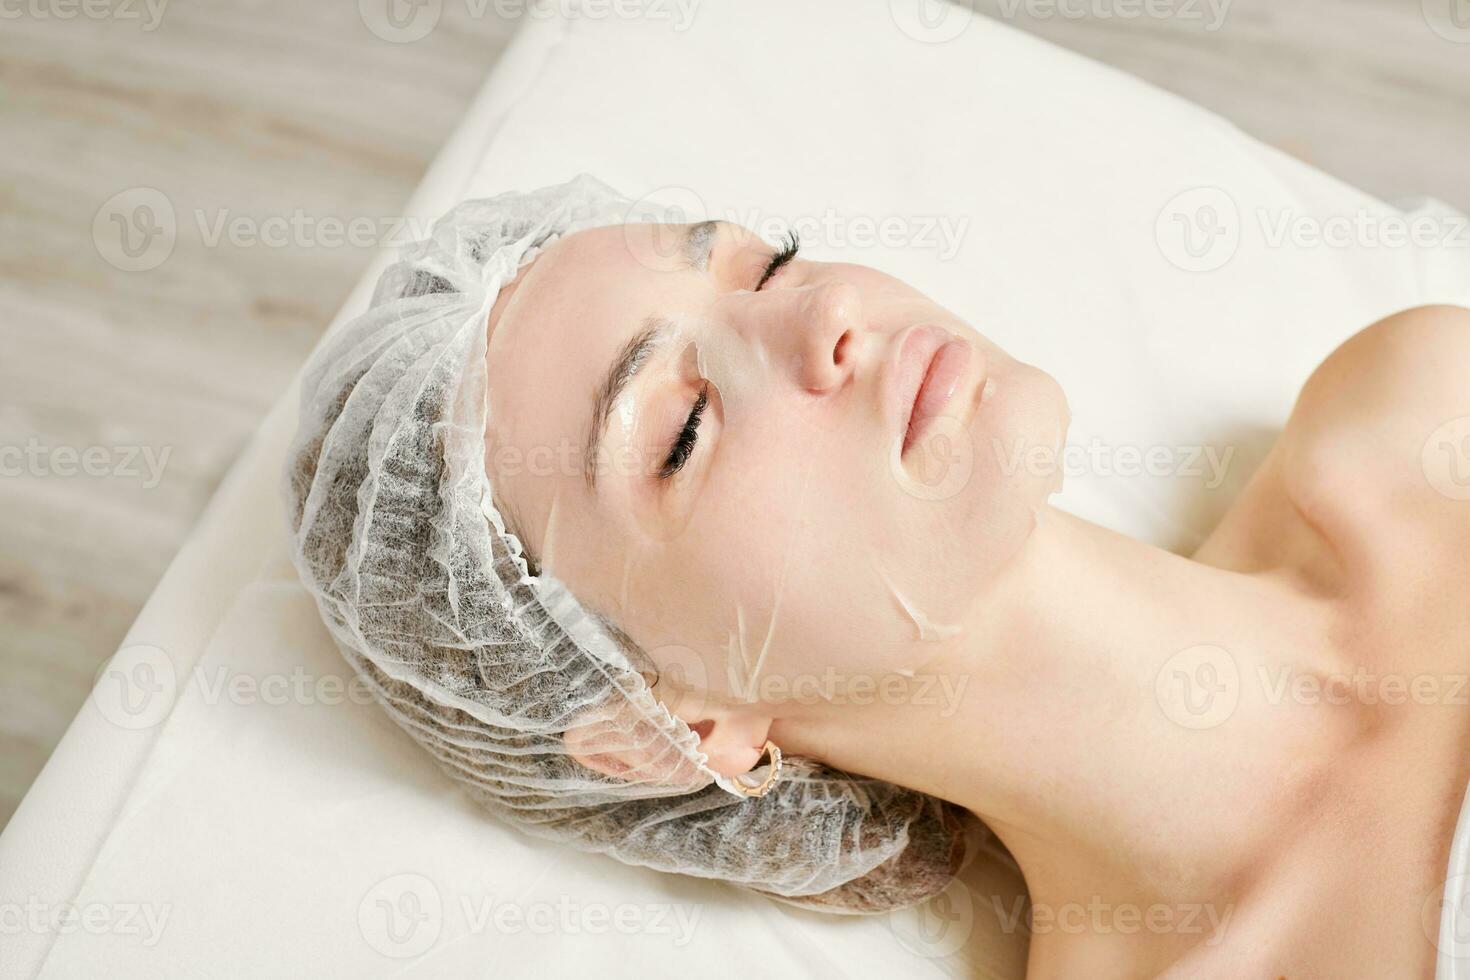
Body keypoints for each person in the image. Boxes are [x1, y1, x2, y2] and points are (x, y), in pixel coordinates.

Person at [287, 175, 1470, 976]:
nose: (829, 315)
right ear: (675, 728)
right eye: (684, 428)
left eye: (764, 267)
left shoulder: (1418, 408)